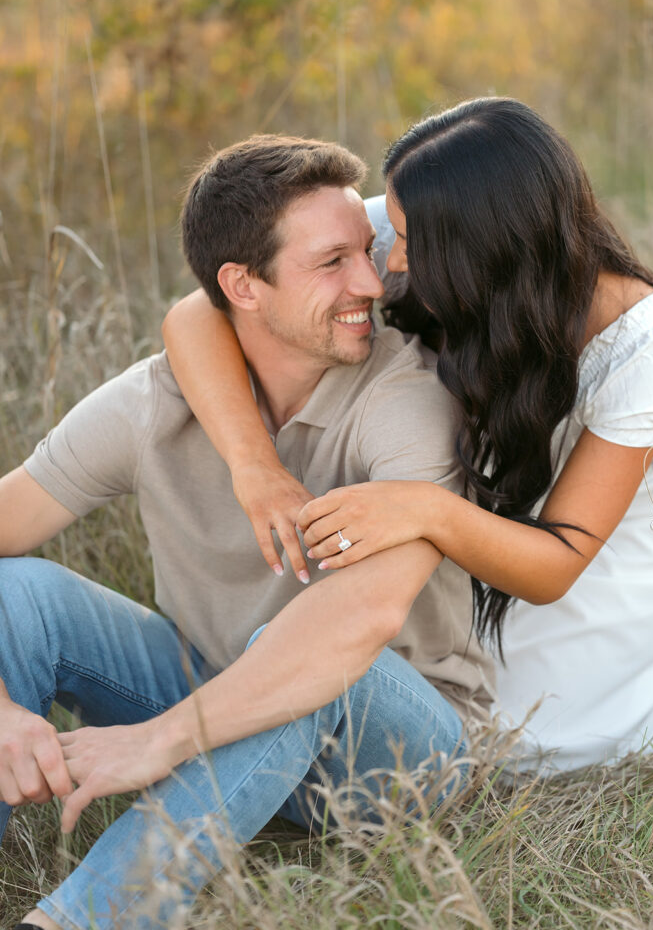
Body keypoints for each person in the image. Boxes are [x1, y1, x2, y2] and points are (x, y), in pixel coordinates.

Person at [0, 134, 494, 930]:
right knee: (21, 593)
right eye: (331, 262)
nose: (371, 283)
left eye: (366, 252)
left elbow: (360, 618)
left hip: (397, 754)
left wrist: (163, 739)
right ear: (241, 286)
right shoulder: (150, 403)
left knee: (310, 654)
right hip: (216, 687)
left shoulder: (407, 399)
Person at [162, 98, 653, 776]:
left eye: (409, 242)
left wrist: (425, 508)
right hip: (485, 542)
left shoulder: (642, 352)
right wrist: (253, 465)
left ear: (487, 249)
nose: (391, 259)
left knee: (506, 733)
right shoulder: (426, 219)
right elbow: (199, 312)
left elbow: (557, 563)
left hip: (583, 577)